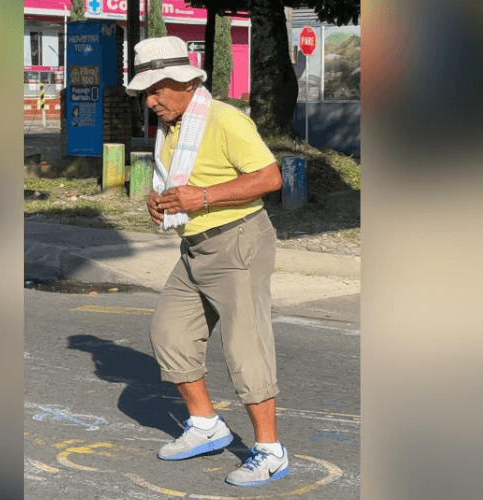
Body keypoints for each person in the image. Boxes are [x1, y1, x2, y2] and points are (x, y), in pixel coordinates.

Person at [125, 36, 288, 487]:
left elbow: (270, 177)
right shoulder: (173, 126)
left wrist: (204, 197)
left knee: (245, 349)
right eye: (146, 93)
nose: (151, 101)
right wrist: (158, 202)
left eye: (157, 90)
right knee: (170, 333)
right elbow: (179, 180)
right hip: (194, 246)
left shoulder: (223, 119)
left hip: (237, 242)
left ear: (184, 81)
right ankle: (206, 426)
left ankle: (270, 451)